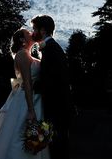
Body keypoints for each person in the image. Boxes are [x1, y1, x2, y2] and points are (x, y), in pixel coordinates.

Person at [0, 28, 50, 159]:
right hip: (26, 102)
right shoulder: (22, 54)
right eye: (28, 33)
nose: (31, 33)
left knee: (33, 138)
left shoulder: (28, 54)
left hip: (35, 99)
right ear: (22, 39)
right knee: (20, 137)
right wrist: (31, 110)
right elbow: (27, 83)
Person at [31, 14, 71, 159]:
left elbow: (50, 82)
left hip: (56, 109)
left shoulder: (51, 49)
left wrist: (29, 86)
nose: (32, 32)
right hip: (58, 108)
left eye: (34, 29)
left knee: (56, 149)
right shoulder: (52, 48)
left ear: (42, 30)